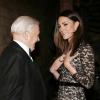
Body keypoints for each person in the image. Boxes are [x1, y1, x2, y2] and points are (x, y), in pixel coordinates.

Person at [50, 10, 95, 100]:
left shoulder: (84, 48)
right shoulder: (65, 50)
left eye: (65, 24)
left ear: (76, 25)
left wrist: (68, 66)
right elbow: (67, 82)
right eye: (59, 26)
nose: (61, 29)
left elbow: (89, 83)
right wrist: (53, 71)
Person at [0, 16, 46, 100]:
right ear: (27, 35)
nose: (38, 39)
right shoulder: (15, 56)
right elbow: (9, 96)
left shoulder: (18, 53)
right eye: (37, 35)